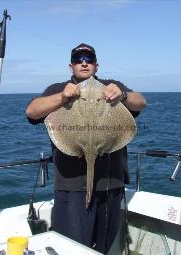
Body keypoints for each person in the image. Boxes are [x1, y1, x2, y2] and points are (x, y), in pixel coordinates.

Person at [26, 43, 146, 254]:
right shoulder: (57, 88)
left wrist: (123, 95)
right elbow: (32, 111)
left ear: (96, 66)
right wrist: (63, 97)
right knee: (71, 247)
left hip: (111, 186)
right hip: (72, 188)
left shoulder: (111, 86)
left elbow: (141, 102)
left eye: (88, 59)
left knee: (103, 248)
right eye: (79, 59)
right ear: (70, 66)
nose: (84, 62)